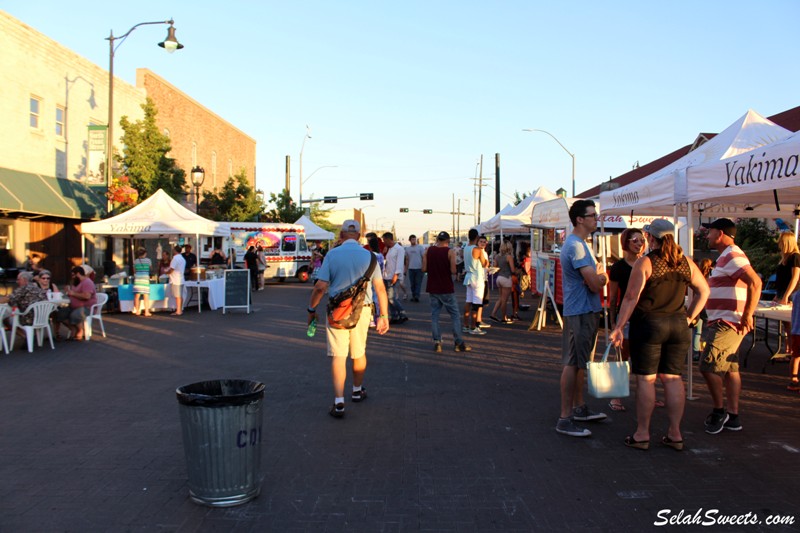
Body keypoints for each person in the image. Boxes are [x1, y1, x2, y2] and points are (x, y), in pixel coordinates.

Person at [610, 220, 709, 451]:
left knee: (646, 378)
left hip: (649, 324)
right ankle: (675, 433)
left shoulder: (646, 262)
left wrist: (618, 326)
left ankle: (642, 433)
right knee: (673, 378)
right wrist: (690, 318)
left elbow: (631, 297)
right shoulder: (685, 263)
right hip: (678, 324)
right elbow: (704, 291)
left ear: (650, 237)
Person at [307, 219, 390, 418]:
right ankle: (356, 390)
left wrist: (311, 309)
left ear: (341, 235)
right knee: (359, 353)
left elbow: (320, 287)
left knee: (338, 355)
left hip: (337, 312)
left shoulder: (332, 255)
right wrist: (383, 316)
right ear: (360, 236)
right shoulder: (370, 256)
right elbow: (380, 288)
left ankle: (338, 402)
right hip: (363, 311)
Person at [699, 218, 761, 434]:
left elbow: (755, 282)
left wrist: (747, 315)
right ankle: (733, 417)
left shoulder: (733, 254)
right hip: (725, 320)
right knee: (730, 369)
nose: (706, 235)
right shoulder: (726, 256)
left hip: (727, 322)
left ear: (721, 233)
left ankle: (720, 411)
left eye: (710, 231)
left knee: (708, 365)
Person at [555, 200, 609, 438]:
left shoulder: (579, 244)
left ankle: (577, 408)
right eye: (592, 215)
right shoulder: (577, 246)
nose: (595, 218)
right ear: (580, 219)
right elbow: (595, 283)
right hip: (580, 311)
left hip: (582, 310)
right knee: (572, 362)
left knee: (579, 363)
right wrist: (602, 277)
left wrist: (598, 276)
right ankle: (565, 417)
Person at [607, 228, 646, 412]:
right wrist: (614, 323)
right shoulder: (618, 267)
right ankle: (616, 396)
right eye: (635, 240)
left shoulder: (648, 263)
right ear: (626, 243)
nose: (639, 244)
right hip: (627, 318)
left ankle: (647, 396)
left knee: (646, 358)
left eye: (642, 240)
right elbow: (613, 298)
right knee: (623, 357)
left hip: (646, 317)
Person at [423, 231, 471, 353]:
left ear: (437, 239)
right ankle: (458, 342)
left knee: (435, 316)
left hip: (433, 287)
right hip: (446, 288)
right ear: (448, 241)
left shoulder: (429, 250)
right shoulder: (450, 252)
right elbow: (454, 271)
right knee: (454, 315)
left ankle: (437, 342)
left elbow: (424, 269)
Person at [57, 266, 97, 341]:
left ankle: (80, 330)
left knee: (74, 315)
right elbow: (73, 293)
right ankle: (73, 329)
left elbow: (87, 296)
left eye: (73, 275)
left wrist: (73, 293)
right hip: (73, 306)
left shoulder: (87, 282)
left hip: (87, 307)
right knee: (60, 314)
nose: (72, 277)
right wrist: (68, 291)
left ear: (78, 274)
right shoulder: (76, 282)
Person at [462, 230, 489, 336]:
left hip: (468, 277)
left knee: (468, 301)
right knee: (476, 303)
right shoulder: (478, 250)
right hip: (477, 278)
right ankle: (474, 327)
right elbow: (484, 264)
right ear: (477, 237)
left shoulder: (465, 248)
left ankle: (465, 325)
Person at [382, 232, 408, 324]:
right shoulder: (389, 249)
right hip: (386, 276)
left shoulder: (399, 249)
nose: (383, 242)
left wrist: (396, 275)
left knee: (391, 298)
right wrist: (384, 253)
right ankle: (394, 316)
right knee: (389, 298)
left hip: (394, 276)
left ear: (389, 239)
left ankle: (402, 313)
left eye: (384, 240)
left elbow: (400, 263)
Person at [490, 241, 515, 323]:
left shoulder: (497, 256)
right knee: (504, 300)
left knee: (500, 298)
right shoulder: (509, 257)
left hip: (499, 278)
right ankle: (504, 317)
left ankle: (493, 314)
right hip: (506, 278)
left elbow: (495, 267)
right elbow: (512, 270)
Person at [773, 232, 800, 306]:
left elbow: (795, 278)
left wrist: (786, 296)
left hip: (790, 294)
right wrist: (777, 295)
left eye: (781, 242)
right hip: (781, 292)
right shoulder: (785, 258)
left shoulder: (795, 257)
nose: (779, 245)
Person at [132, 247, 153, 317]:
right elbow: (150, 269)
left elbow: (134, 271)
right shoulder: (148, 261)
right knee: (146, 297)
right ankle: (146, 312)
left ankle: (137, 311)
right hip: (145, 280)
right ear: (145, 253)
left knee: (137, 296)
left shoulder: (135, 261)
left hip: (137, 280)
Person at [167, 245, 186, 315]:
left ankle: (178, 311)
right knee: (180, 295)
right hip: (181, 278)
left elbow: (172, 269)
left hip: (175, 279)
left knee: (177, 296)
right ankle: (180, 309)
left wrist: (167, 272)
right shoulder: (182, 259)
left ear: (175, 251)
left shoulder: (175, 259)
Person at [405, 235, 425, 302]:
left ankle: (417, 296)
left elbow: (423, 257)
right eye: (412, 239)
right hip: (411, 269)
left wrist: (424, 266)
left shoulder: (420, 248)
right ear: (410, 240)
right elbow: (407, 260)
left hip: (419, 268)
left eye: (415, 239)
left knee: (418, 283)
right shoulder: (408, 249)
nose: (414, 240)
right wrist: (405, 269)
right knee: (412, 284)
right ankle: (413, 295)